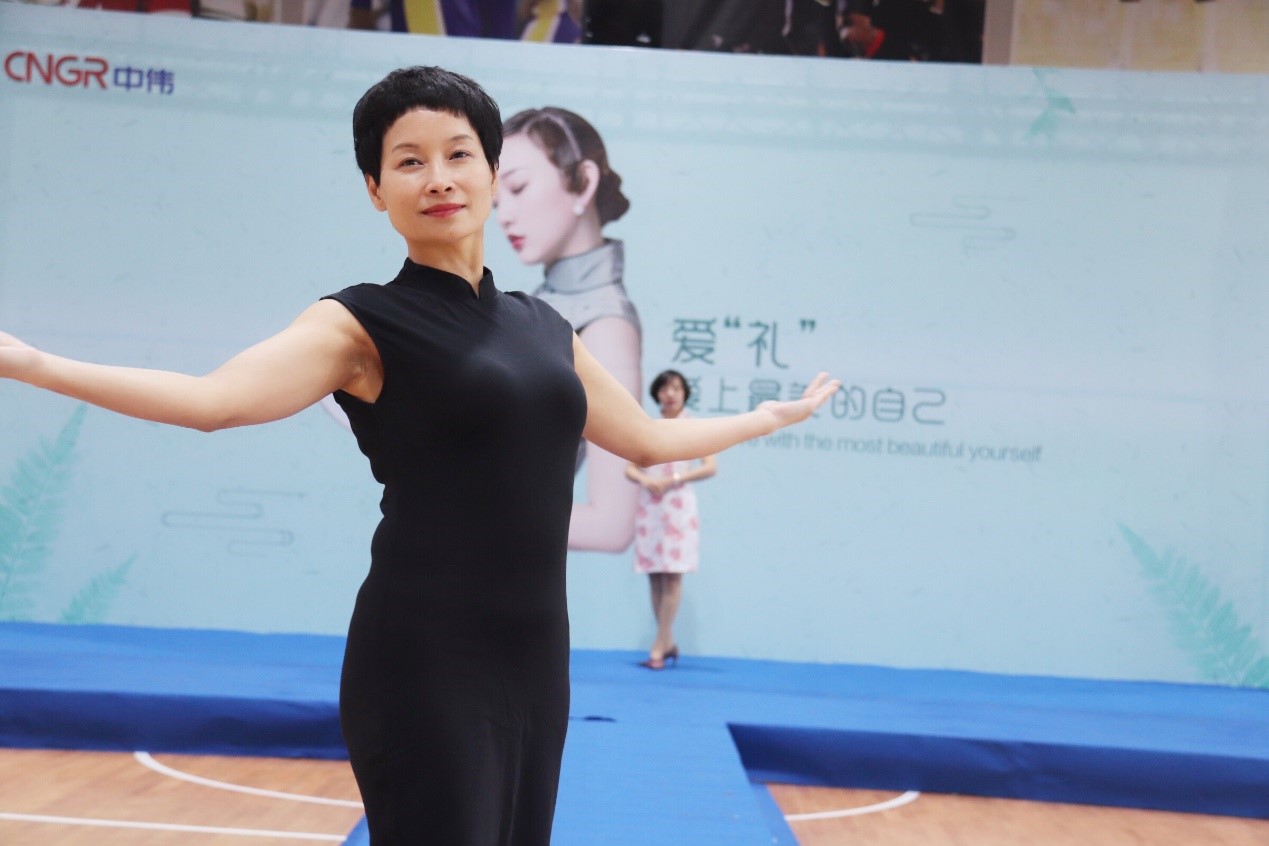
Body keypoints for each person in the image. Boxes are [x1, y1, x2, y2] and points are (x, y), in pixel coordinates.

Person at [0, 65, 839, 845]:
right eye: (408, 161)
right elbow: (211, 402)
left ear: (490, 170)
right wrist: (32, 363)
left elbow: (646, 440)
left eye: (458, 154)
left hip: (534, 658)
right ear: (375, 188)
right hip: (422, 656)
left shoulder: (545, 326)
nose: (437, 177)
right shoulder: (357, 324)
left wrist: (763, 418)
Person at [496, 106, 642, 552]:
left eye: (518, 188)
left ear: (583, 182)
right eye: (496, 201)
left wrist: (465, 504)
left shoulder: (604, 327)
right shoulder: (542, 306)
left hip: (500, 579)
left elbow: (611, 526)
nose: (503, 216)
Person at [626, 369, 716, 669]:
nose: (670, 393)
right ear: (657, 394)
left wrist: (674, 479)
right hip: (651, 507)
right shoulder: (648, 426)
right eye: (665, 388)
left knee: (674, 574)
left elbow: (710, 466)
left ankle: (658, 645)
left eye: (676, 388)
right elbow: (630, 468)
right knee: (655, 575)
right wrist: (646, 479)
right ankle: (667, 641)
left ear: (685, 392)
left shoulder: (694, 427)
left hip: (678, 507)